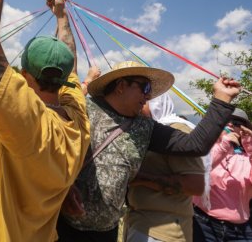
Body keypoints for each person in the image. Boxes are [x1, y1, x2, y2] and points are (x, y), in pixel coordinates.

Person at [0, 0, 91, 241]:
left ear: (24, 75)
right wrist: (61, 14)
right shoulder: (78, 115)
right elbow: (71, 62)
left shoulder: (27, 120)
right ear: (64, 78)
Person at [57, 60, 240, 242]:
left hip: (106, 232)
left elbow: (195, 145)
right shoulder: (85, 110)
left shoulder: (145, 128)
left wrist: (222, 100)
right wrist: (64, 189)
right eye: (144, 88)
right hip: (63, 226)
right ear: (121, 86)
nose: (148, 96)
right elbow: (51, 152)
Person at [126, 93, 205, 242]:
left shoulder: (177, 131)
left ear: (156, 103)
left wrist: (140, 178)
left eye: (144, 101)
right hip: (141, 223)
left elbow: (195, 185)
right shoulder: (147, 131)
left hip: (164, 230)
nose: (138, 104)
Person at [192, 108, 252, 241]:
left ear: (242, 131)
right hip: (204, 223)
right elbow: (200, 169)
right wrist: (225, 145)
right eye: (226, 121)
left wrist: (250, 146)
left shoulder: (246, 158)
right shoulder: (204, 150)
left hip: (239, 231)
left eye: (236, 123)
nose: (230, 124)